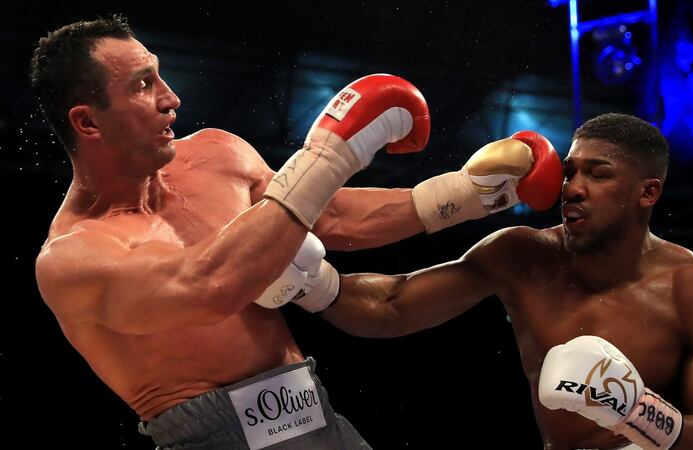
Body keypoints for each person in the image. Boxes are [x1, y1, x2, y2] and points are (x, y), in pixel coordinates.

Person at [30, 15, 564, 449]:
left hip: (316, 409)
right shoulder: (74, 258)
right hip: (215, 439)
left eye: (159, 75)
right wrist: (329, 157)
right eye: (143, 85)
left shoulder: (217, 152)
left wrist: (469, 195)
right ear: (88, 122)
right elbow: (208, 284)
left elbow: (328, 217)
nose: (171, 97)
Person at [318, 113, 693, 450]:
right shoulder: (524, 255)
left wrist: (640, 413)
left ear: (648, 193)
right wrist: (315, 283)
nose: (572, 188)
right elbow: (393, 306)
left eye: (598, 173)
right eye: (570, 171)